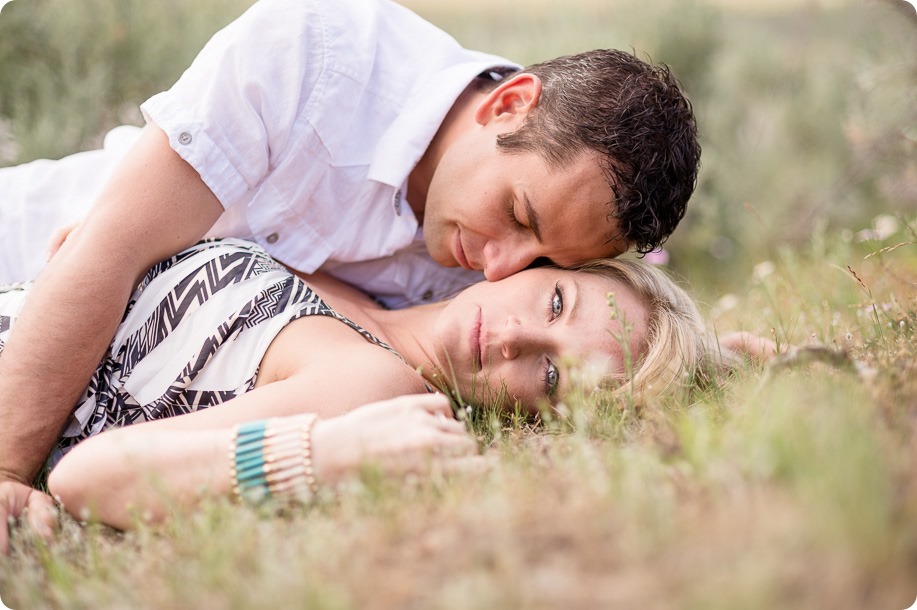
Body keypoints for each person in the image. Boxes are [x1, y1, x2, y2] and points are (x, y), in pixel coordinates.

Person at [0, 0, 700, 539]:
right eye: (518, 217)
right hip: (29, 251)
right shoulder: (321, 50)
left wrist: (700, 358)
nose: (497, 269)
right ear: (508, 104)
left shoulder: (450, 321)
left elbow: (597, 340)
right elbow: (107, 247)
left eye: (545, 263)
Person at [0, 237, 714, 540]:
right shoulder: (369, 278)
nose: (516, 338)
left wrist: (323, 454)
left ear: (542, 421)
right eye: (556, 303)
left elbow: (89, 478)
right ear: (543, 262)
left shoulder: (376, 383)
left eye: (551, 375)